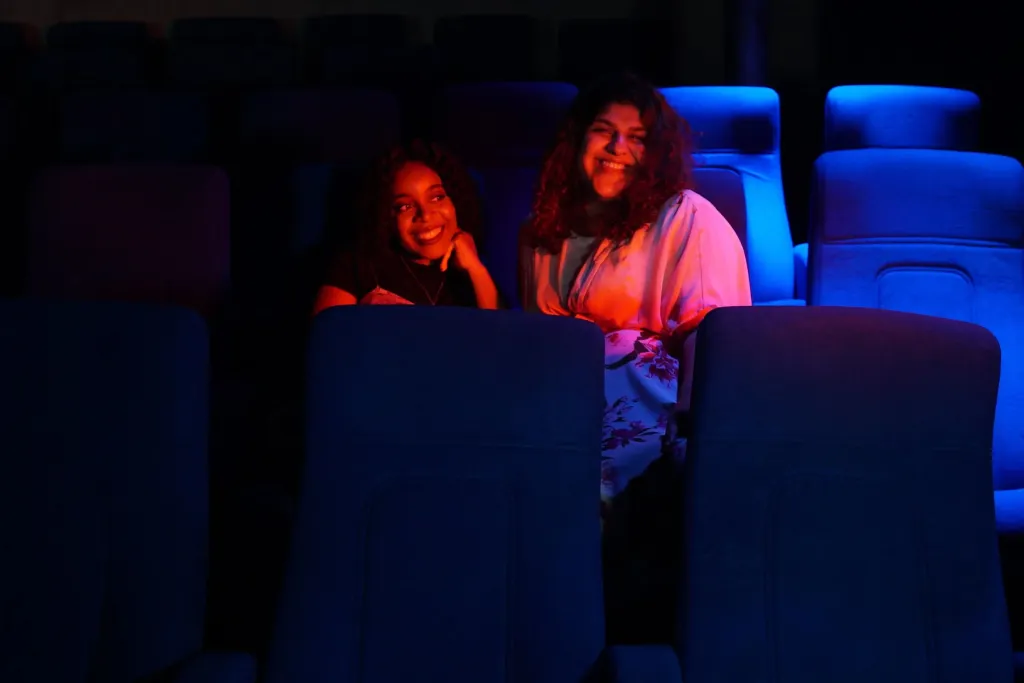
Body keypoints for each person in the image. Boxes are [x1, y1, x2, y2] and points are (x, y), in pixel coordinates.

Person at [519, 72, 752, 642]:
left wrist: (692, 442)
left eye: (637, 137)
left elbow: (713, 343)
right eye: (604, 131)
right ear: (578, 139)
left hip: (652, 414)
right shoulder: (541, 232)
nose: (617, 148)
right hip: (558, 410)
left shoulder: (686, 218)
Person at [313, 140, 501, 313]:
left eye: (437, 197)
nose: (425, 215)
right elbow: (328, 337)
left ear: (455, 203)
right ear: (386, 217)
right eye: (405, 207)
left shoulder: (471, 276)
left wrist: (477, 271)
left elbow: (495, 336)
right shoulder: (356, 266)